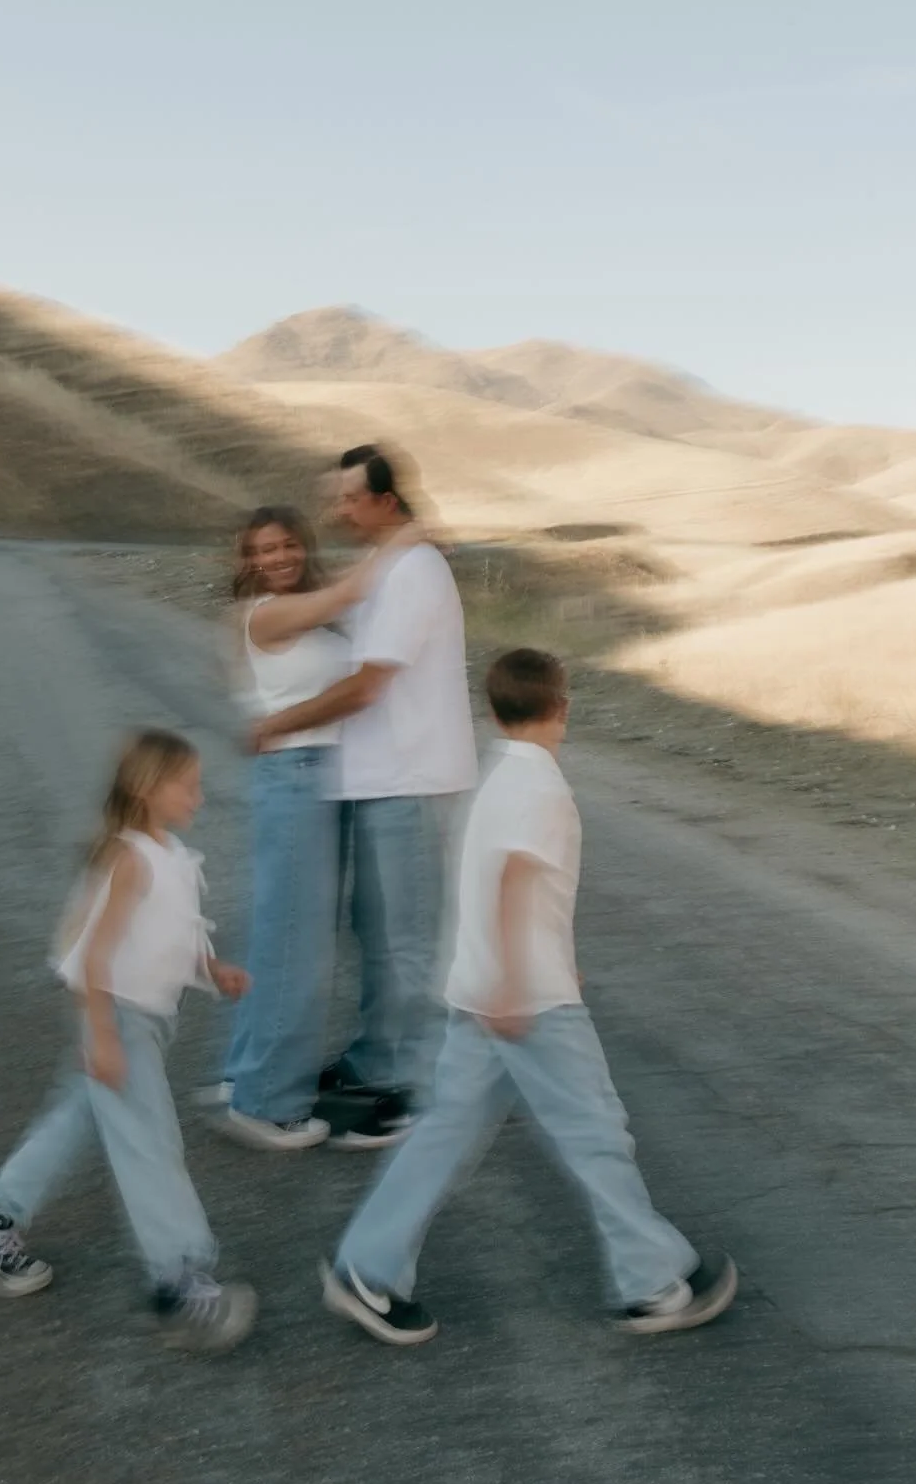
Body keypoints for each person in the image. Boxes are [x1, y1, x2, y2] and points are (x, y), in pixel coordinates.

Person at [320, 647, 737, 1345]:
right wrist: (517, 979)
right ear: (563, 707)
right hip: (527, 1002)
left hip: (486, 990)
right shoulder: (541, 786)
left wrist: (535, 967)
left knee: (446, 1133)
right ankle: (654, 1282)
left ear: (493, 710)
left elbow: (504, 884)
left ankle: (367, 1265)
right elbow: (515, 879)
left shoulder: (499, 778)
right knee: (596, 1133)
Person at [0, 729, 258, 1353]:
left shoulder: (171, 853)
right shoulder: (130, 859)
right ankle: (178, 1279)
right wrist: (103, 1036)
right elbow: (93, 956)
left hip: (141, 1020)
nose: (199, 796)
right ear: (147, 789)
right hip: (117, 1016)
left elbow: (174, 935)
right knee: (149, 1141)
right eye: (187, 786)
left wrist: (212, 970)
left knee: (80, 1116)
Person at [251, 445, 478, 1146]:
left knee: (404, 942)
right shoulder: (387, 564)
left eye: (350, 497)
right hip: (379, 780)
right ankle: (374, 1061)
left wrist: (278, 724)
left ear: (385, 499)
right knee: (376, 934)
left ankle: (411, 1089)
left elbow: (368, 685)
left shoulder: (413, 569)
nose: (339, 509)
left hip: (411, 779)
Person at [213, 505, 413, 1152]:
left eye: (287, 545)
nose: (277, 558)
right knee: (295, 942)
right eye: (263, 550)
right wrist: (405, 536)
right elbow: (351, 591)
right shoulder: (261, 613)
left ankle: (244, 1075)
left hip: (322, 775)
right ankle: (266, 1102)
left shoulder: (309, 614)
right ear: (247, 560)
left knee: (285, 932)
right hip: (295, 775)